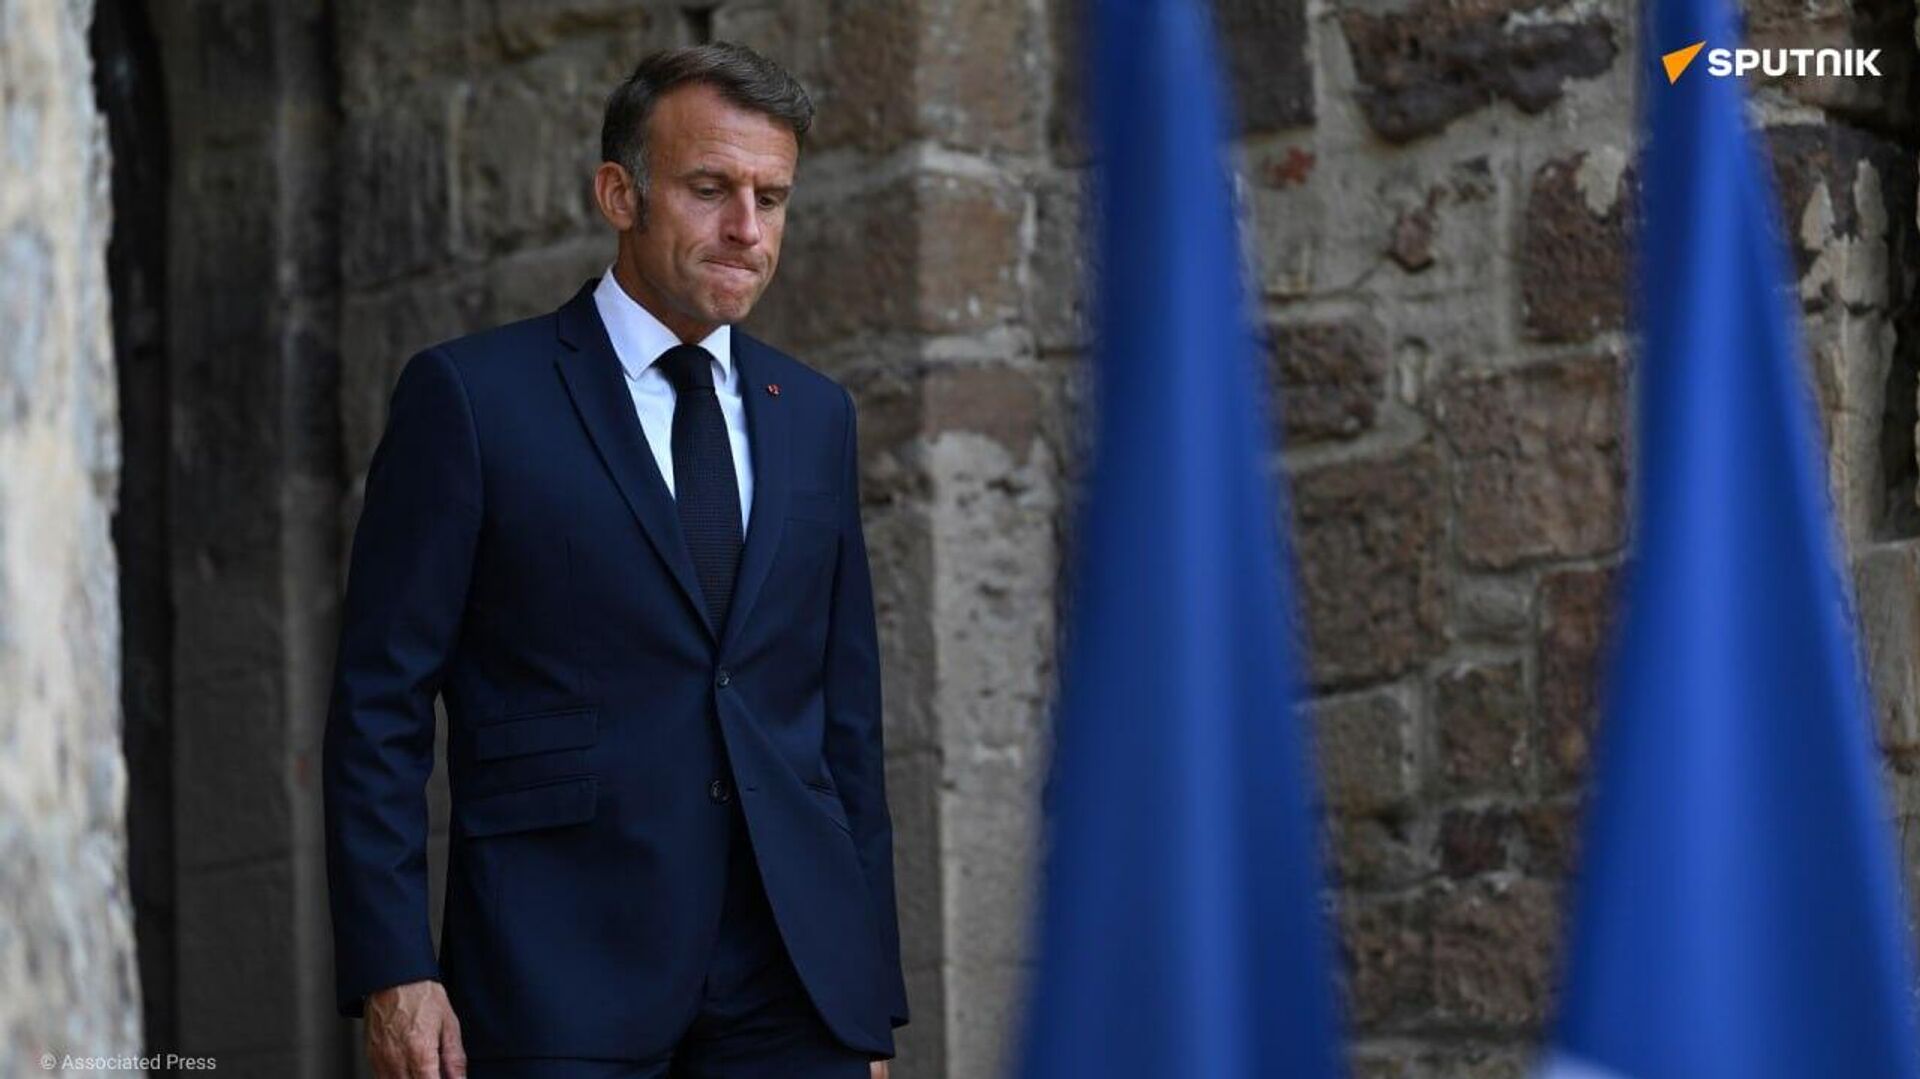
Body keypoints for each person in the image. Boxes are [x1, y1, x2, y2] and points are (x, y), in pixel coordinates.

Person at [322, 42, 907, 1079]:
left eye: (772, 198)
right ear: (618, 194)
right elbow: (380, 701)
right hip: (557, 971)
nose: (747, 229)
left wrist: (866, 998)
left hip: (793, 984)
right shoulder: (471, 398)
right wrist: (393, 964)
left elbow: (845, 720)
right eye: (710, 189)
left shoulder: (816, 415)